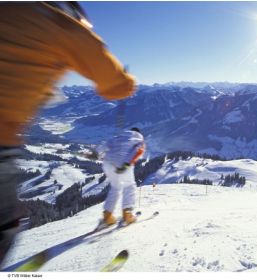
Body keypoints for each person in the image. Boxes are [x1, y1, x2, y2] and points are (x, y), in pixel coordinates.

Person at [0, 2, 136, 266]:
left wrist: (95, 153)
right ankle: (125, 214)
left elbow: (104, 148)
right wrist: (126, 82)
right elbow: (115, 84)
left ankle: (109, 214)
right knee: (4, 224)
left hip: (108, 164)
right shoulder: (60, 22)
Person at [91, 127, 145, 227]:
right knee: (130, 186)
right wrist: (126, 165)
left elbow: (105, 144)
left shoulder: (119, 137)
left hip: (108, 163)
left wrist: (95, 153)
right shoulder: (139, 139)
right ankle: (127, 215)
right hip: (123, 163)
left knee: (116, 187)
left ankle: (107, 217)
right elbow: (138, 151)